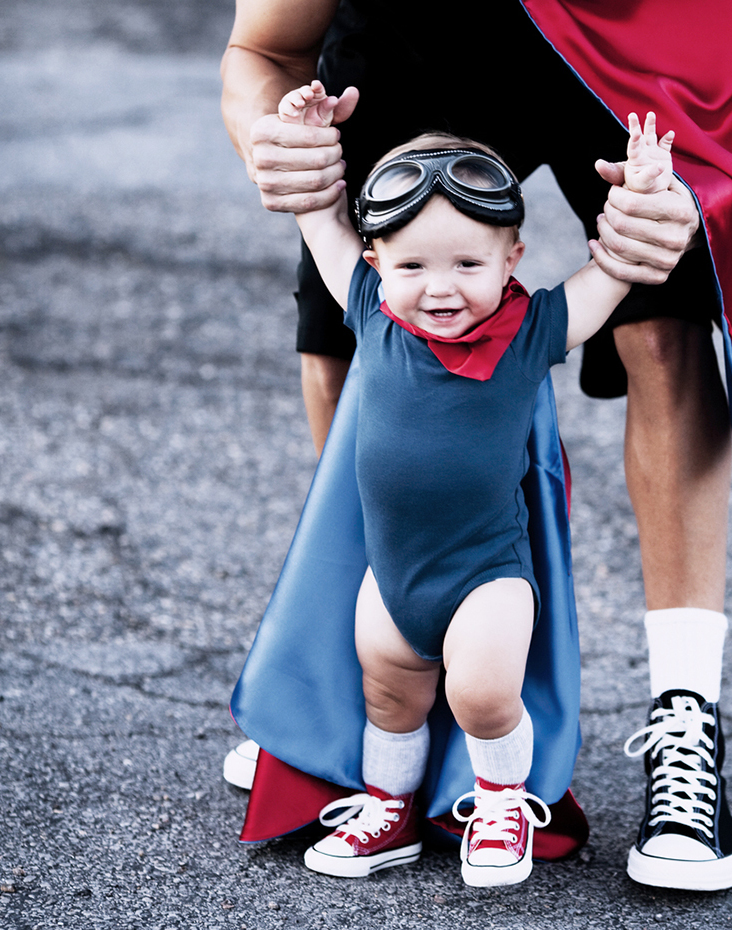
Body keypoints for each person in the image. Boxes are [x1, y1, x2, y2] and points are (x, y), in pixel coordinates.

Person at [221, 0, 732, 893]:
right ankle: (359, 698)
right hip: (415, 11)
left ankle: (684, 719)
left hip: (625, 1)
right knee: (354, 327)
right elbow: (260, 50)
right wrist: (269, 140)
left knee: (664, 314)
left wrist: (682, 193)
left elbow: (731, 63)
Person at [274, 81, 671, 886]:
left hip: (487, 576)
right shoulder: (370, 308)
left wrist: (644, 193)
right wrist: (310, 135)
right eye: (414, 264)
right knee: (391, 697)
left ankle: (499, 801)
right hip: (391, 579)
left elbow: (616, 270)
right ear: (377, 259)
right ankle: (391, 809)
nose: (442, 286)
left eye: (468, 263)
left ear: (511, 260)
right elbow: (319, 214)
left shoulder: (530, 331)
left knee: (485, 696)